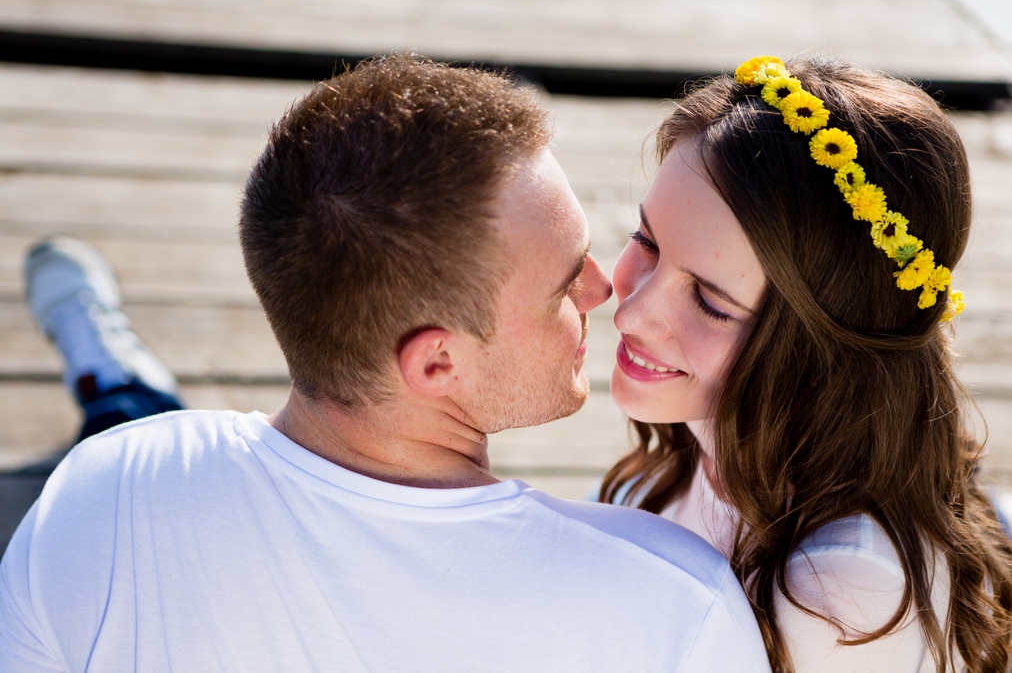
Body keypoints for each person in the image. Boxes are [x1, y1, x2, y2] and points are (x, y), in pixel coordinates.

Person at [0, 55, 771, 671]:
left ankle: (106, 364)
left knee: (132, 418)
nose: (605, 290)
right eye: (563, 282)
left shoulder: (102, 489)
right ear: (436, 364)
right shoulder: (674, 603)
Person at [599, 55, 1012, 672]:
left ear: (822, 348)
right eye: (647, 242)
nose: (631, 313)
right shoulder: (692, 453)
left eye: (711, 302)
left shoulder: (841, 602)